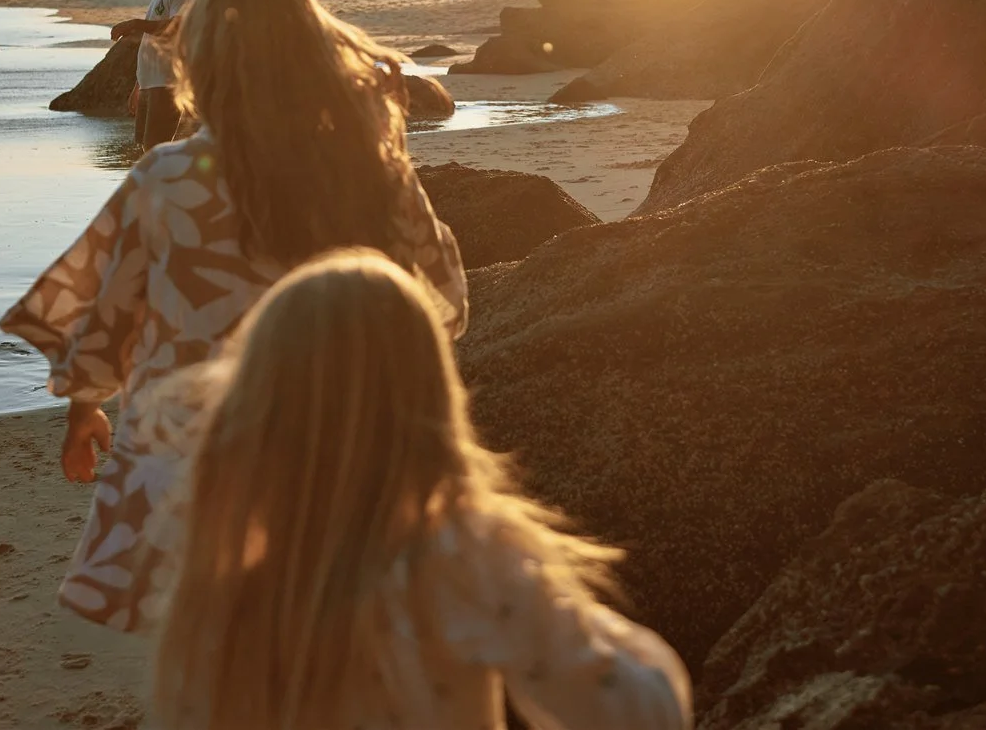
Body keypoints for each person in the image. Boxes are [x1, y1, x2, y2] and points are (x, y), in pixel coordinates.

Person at [0, 0, 466, 632]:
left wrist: (83, 408)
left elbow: (110, 308)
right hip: (336, 441)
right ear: (316, 51)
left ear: (201, 66)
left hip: (198, 460)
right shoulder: (369, 169)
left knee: (216, 640)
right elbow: (445, 301)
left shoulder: (167, 176)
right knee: (323, 630)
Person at [153, 251, 692, 730]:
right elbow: (635, 713)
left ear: (256, 406)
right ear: (430, 399)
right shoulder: (462, 559)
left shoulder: (222, 584)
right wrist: (623, 643)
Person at [113, 0, 195, 152]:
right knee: (146, 151)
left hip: (167, 84)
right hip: (149, 84)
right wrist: (138, 85)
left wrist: (135, 24)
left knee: (156, 151)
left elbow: (175, 27)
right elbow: (151, 45)